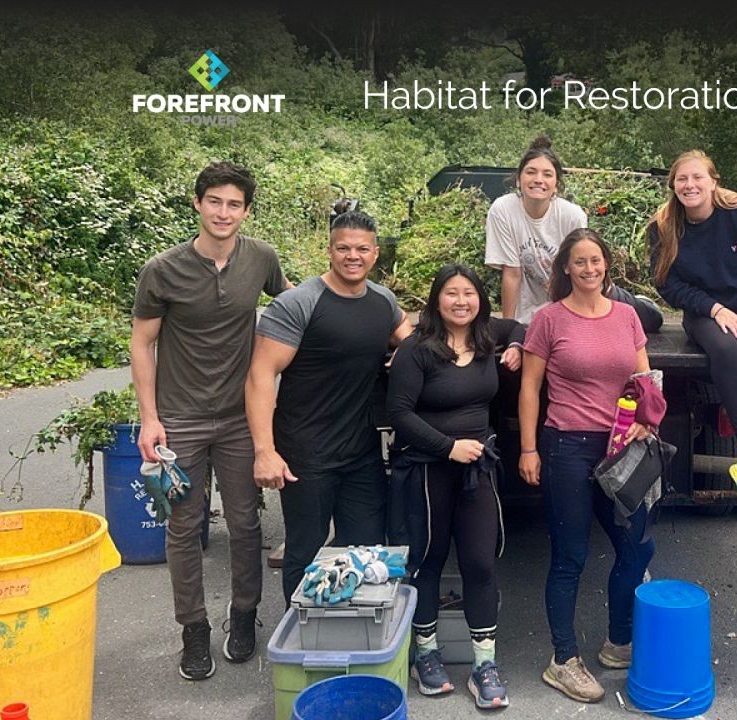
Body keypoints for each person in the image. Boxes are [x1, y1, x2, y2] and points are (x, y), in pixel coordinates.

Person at [130, 161, 291, 680]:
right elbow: (142, 343)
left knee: (246, 523)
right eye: (215, 201)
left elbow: (292, 305)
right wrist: (149, 419)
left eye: (235, 204)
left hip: (243, 416)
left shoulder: (260, 259)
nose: (224, 212)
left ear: (246, 211)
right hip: (181, 419)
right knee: (184, 525)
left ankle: (243, 616)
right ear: (198, 204)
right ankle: (193, 629)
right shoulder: (163, 270)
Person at [245, 208, 412, 602]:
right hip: (306, 454)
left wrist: (408, 350)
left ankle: (356, 642)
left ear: (375, 254)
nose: (352, 256)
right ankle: (301, 648)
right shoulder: (299, 303)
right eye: (343, 248)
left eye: (362, 249)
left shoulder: (382, 301)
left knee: (366, 555)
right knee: (306, 552)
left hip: (361, 454)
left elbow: (407, 336)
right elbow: (260, 376)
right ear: (329, 251)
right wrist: (264, 452)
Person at [519, 228, 655, 704]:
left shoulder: (627, 315)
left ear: (606, 266)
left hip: (621, 448)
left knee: (637, 546)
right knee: (570, 557)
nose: (589, 269)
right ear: (566, 269)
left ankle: (619, 643)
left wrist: (645, 421)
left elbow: (643, 380)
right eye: (579, 262)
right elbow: (530, 387)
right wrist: (528, 449)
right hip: (567, 447)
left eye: (596, 261)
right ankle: (562, 660)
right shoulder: (549, 319)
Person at [386, 264, 524, 709]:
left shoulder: (487, 340)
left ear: (480, 300)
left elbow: (520, 323)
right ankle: (425, 654)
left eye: (469, 293)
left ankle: (484, 663)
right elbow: (400, 414)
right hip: (428, 466)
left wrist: (518, 344)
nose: (461, 301)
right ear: (436, 300)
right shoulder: (416, 349)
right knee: (428, 560)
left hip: (477, 469)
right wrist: (448, 447)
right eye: (451, 293)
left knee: (481, 562)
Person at [647, 149, 737, 505]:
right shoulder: (663, 226)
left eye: (697, 178)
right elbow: (668, 285)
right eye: (682, 179)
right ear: (673, 185)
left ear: (713, 181)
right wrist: (715, 308)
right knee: (727, 349)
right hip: (705, 309)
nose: (689, 185)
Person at [485, 134, 662, 332]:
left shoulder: (572, 215)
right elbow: (512, 273)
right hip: (533, 303)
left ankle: (641, 302)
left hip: (583, 286)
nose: (538, 180)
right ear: (518, 179)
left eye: (547, 174)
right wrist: (508, 329)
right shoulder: (503, 210)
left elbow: (579, 270)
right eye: (531, 172)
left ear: (556, 185)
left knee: (651, 321)